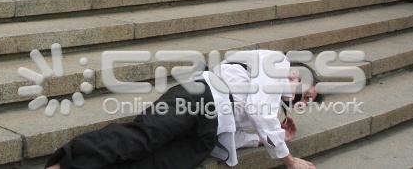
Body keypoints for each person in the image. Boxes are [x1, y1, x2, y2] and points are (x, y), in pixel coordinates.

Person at [44, 49, 319, 169]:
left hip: (210, 129)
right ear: (296, 75)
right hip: (199, 95)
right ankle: (63, 163)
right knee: (144, 136)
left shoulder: (267, 98)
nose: (302, 101)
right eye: (307, 94)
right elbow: (261, 109)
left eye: (307, 101)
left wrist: (265, 138)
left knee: (162, 163)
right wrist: (289, 159)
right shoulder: (276, 63)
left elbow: (234, 133)